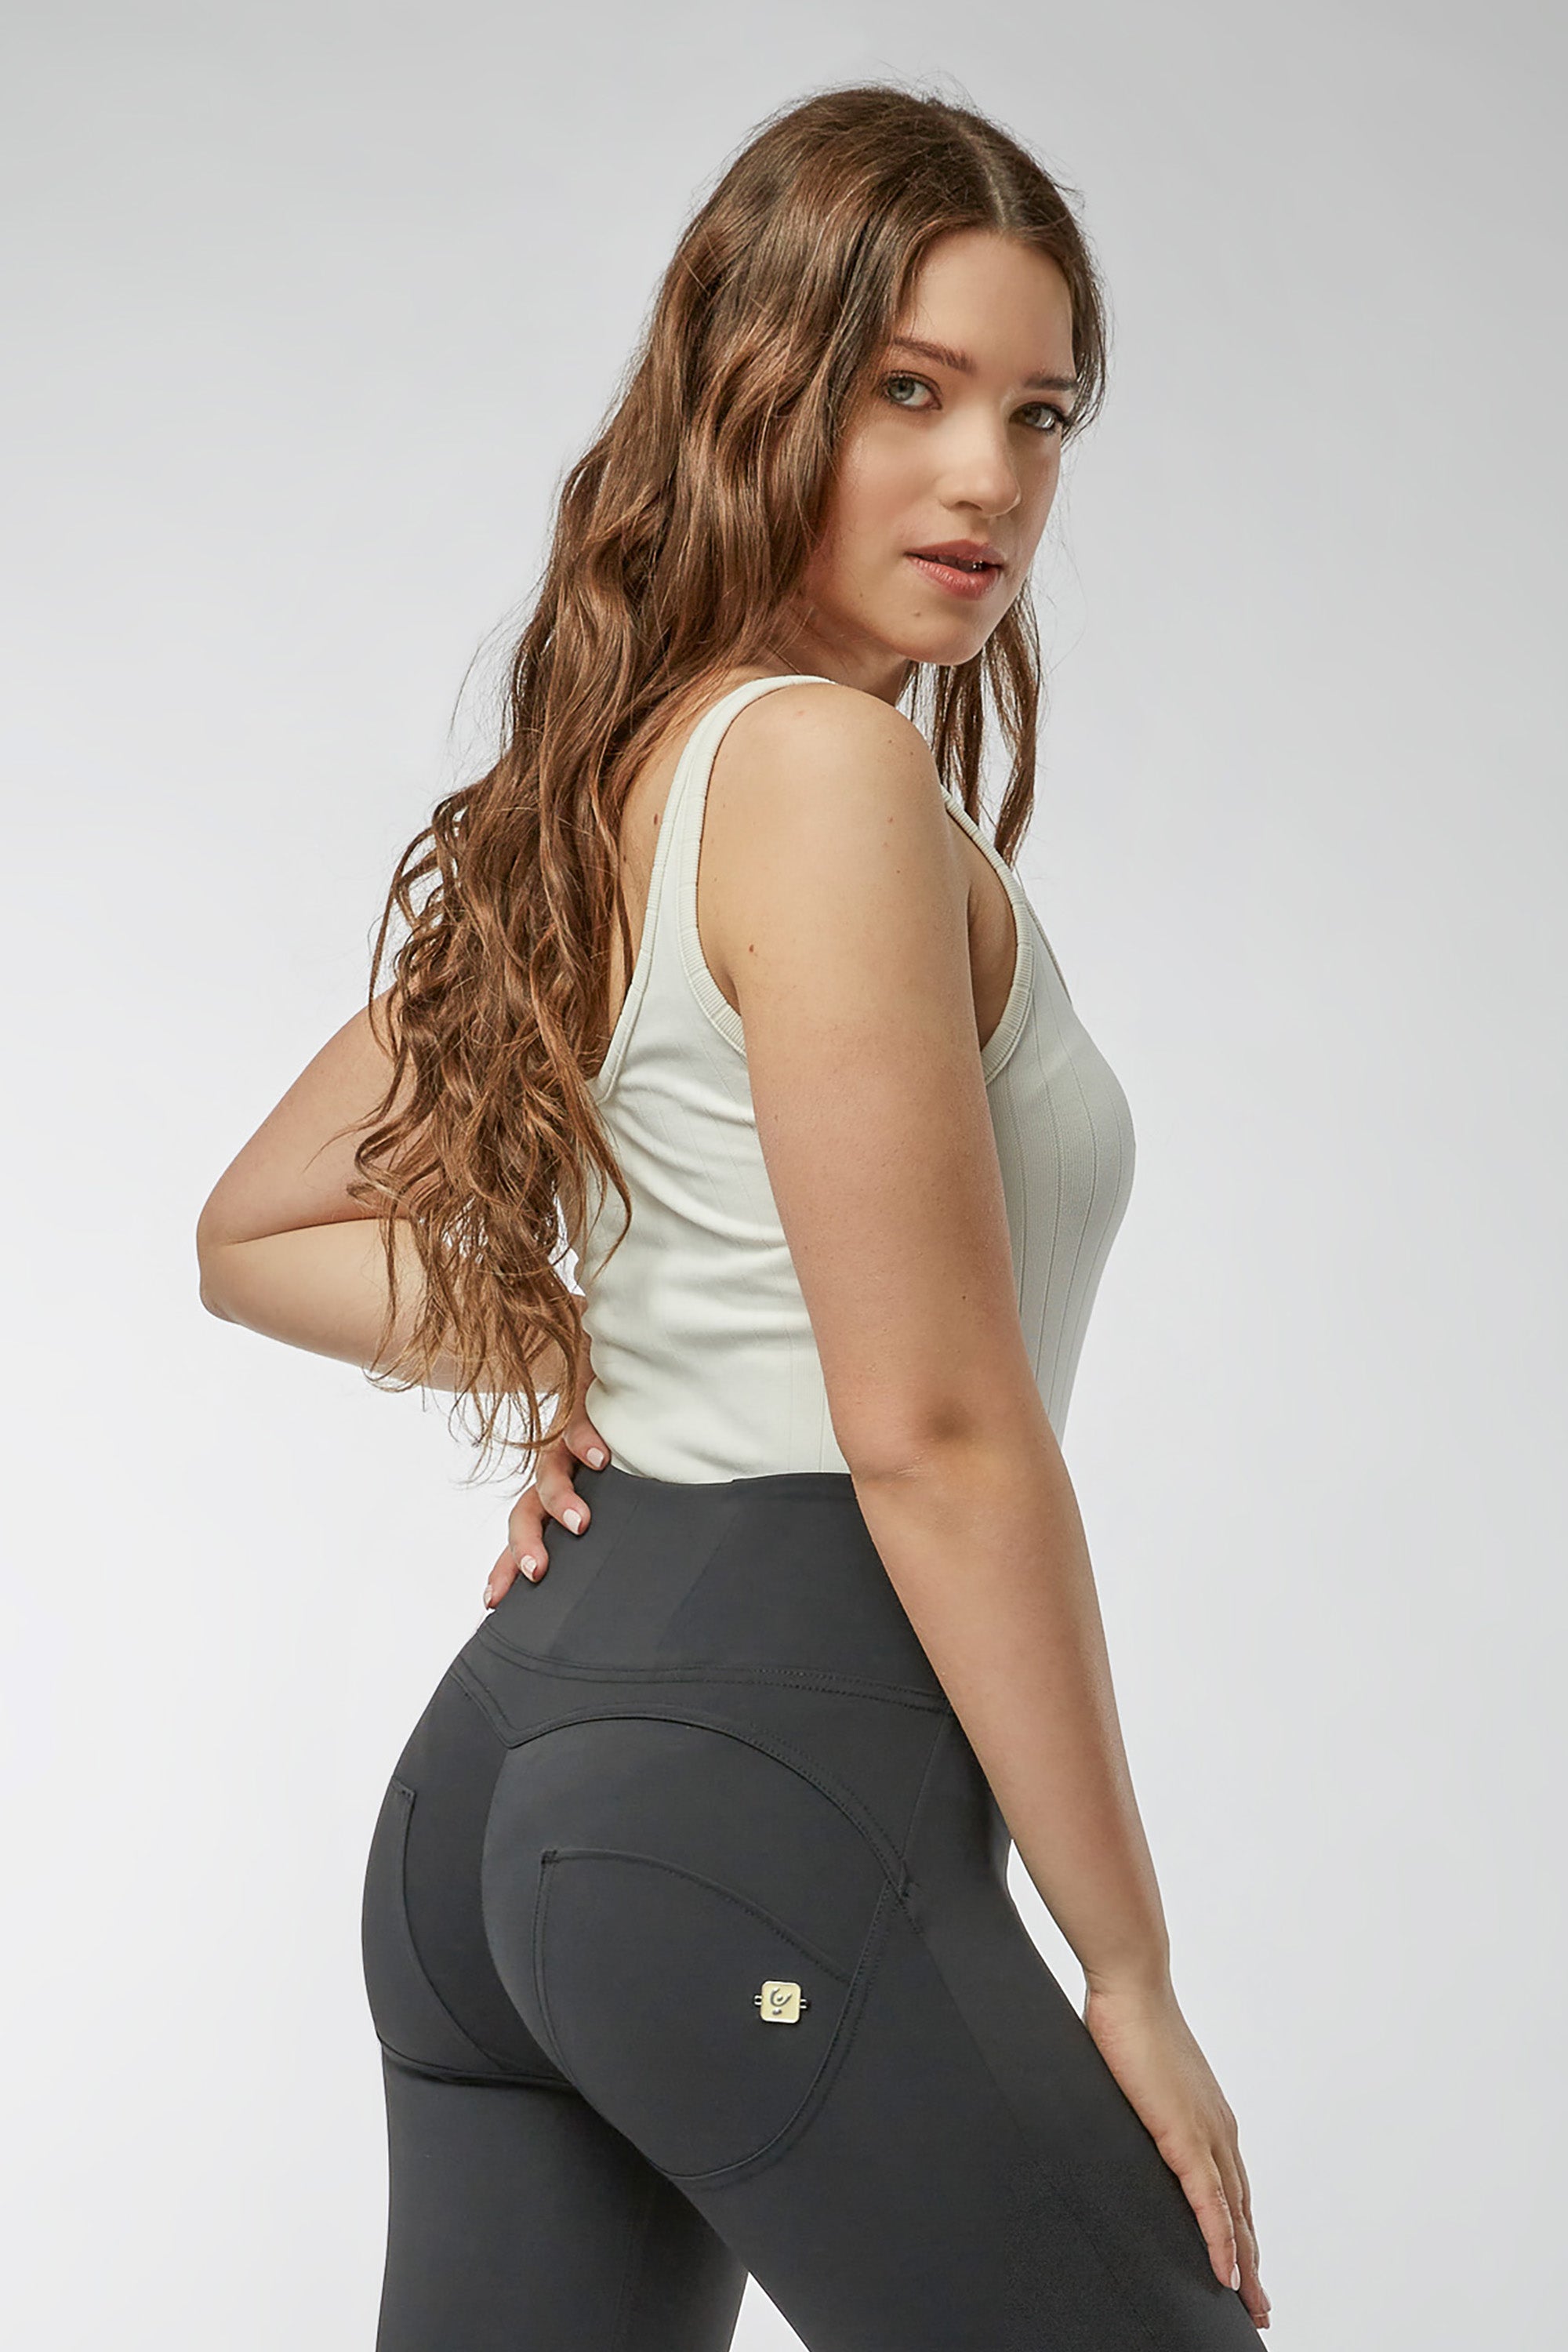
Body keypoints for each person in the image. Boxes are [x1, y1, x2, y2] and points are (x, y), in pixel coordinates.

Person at [196, 80, 1270, 2351]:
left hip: (513, 1795)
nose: (991, 480)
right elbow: (935, 1434)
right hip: (759, 1790)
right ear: (760, 391)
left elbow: (257, 1228)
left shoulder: (626, 778)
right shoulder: (819, 769)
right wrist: (1130, 1968)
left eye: (1039, 415)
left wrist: (571, 1347)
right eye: (911, 392)